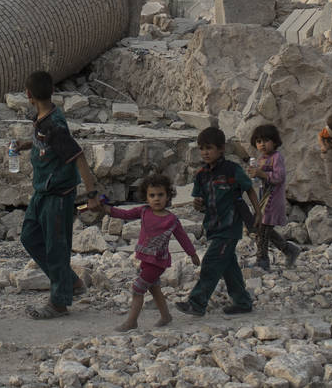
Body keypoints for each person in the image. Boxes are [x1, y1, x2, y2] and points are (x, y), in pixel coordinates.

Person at [16, 70, 100, 319]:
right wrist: (26, 144)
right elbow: (46, 142)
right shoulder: (43, 119)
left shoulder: (55, 125)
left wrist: (92, 194)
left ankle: (59, 302)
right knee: (30, 237)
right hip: (41, 192)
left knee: (56, 248)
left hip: (58, 195)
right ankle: (69, 282)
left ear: (28, 95)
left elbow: (78, 156)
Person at [93, 173, 199, 330]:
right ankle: (166, 316)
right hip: (145, 260)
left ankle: (132, 322)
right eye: (152, 195)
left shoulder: (171, 220)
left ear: (168, 196)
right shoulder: (144, 211)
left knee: (137, 289)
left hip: (157, 262)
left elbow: (183, 238)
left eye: (160, 195)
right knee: (154, 288)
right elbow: (125, 214)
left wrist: (193, 254)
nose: (156, 199)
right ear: (146, 197)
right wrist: (107, 209)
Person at [177, 127, 259, 317]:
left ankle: (197, 303)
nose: (205, 152)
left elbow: (249, 189)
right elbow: (200, 203)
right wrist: (198, 204)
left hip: (229, 228)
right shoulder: (201, 175)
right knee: (229, 267)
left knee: (211, 263)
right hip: (213, 227)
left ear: (221, 149)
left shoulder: (232, 170)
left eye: (209, 148)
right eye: (201, 148)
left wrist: (258, 213)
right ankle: (243, 302)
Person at [246, 124, 301, 271]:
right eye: (258, 141)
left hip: (273, 201)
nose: (262, 144)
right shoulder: (262, 159)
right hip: (264, 200)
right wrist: (254, 175)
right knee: (264, 230)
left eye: (266, 140)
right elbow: (259, 181)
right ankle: (289, 250)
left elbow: (279, 177)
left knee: (262, 231)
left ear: (275, 142)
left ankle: (262, 261)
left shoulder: (277, 158)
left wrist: (261, 174)